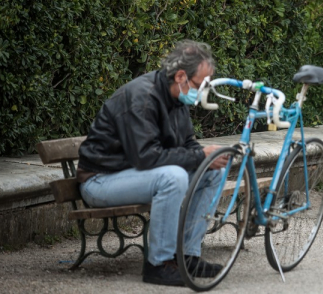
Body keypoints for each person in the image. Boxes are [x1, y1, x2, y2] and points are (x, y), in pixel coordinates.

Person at [77, 40, 228, 286]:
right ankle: (159, 264)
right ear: (181, 76)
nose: (202, 92)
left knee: (211, 173)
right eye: (200, 85)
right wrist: (200, 155)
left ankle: (187, 257)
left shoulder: (177, 97)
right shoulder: (141, 97)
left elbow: (188, 143)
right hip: (100, 180)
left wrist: (208, 156)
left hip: (134, 175)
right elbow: (147, 157)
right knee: (174, 177)